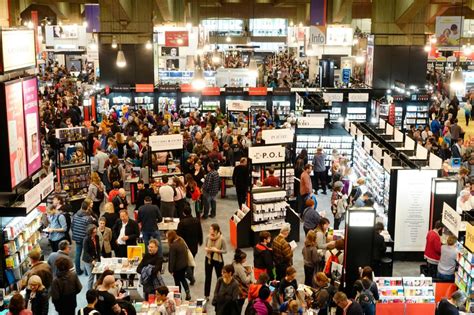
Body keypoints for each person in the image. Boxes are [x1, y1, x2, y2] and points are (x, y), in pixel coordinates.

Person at [177, 204, 203, 285]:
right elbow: (200, 231)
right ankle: (191, 275)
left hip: (185, 246)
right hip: (194, 245)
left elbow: (179, 235)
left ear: (184, 213)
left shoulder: (182, 223)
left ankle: (190, 276)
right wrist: (200, 241)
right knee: (192, 260)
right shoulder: (196, 220)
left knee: (185, 261)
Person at [71, 201, 97, 275]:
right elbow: (90, 230)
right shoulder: (88, 218)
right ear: (88, 208)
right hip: (85, 238)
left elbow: (72, 226)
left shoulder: (75, 215)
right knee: (86, 253)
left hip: (77, 237)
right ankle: (86, 272)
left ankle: (78, 270)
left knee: (77, 253)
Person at [167, 230, 192, 301]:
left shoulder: (173, 246)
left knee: (177, 283)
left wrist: (171, 270)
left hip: (177, 268)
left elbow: (172, 259)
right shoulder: (181, 241)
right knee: (183, 279)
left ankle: (179, 297)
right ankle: (187, 292)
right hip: (183, 265)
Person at [204, 223, 227, 299]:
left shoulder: (222, 238)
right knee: (208, 277)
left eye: (211, 229)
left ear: (216, 230)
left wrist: (217, 250)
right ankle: (206, 295)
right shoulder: (208, 237)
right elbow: (205, 246)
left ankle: (220, 294)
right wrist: (207, 249)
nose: (209, 230)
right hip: (209, 258)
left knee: (219, 277)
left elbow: (225, 250)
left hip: (218, 259)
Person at [83, 225, 101, 290]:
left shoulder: (97, 237)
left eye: (96, 232)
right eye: (93, 232)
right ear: (90, 232)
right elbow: (86, 252)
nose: (95, 234)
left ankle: (97, 289)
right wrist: (92, 260)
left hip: (95, 258)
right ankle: (89, 292)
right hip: (88, 260)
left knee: (99, 274)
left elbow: (98, 248)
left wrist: (99, 258)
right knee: (91, 276)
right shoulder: (86, 239)